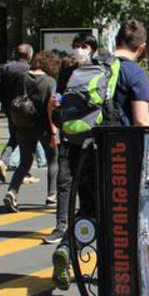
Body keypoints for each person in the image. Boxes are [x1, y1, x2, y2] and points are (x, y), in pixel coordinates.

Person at [51, 19, 149, 291]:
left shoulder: (92, 66)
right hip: (118, 156)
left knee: (90, 208)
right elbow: (142, 121)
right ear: (141, 48)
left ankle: (66, 246)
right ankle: (116, 278)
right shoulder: (136, 73)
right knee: (122, 216)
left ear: (116, 41)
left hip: (81, 149)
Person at [43, 32, 99, 244]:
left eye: (83, 45)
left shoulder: (99, 70)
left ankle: (83, 227)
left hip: (90, 136)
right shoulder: (67, 71)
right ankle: (62, 226)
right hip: (68, 134)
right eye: (76, 45)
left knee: (87, 185)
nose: (78, 49)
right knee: (64, 181)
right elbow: (55, 98)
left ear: (91, 48)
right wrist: (54, 129)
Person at [2, 50, 60, 213]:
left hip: (22, 125)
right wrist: (54, 132)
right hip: (43, 127)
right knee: (52, 159)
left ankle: (12, 192)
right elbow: (50, 108)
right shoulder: (49, 81)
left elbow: (14, 99)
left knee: (25, 162)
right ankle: (51, 196)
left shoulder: (22, 77)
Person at [0, 44, 34, 183]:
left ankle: (9, 164)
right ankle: (15, 167)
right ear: (29, 55)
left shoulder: (7, 67)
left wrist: (6, 103)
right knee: (26, 139)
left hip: (11, 109)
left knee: (16, 137)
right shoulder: (30, 69)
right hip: (26, 110)